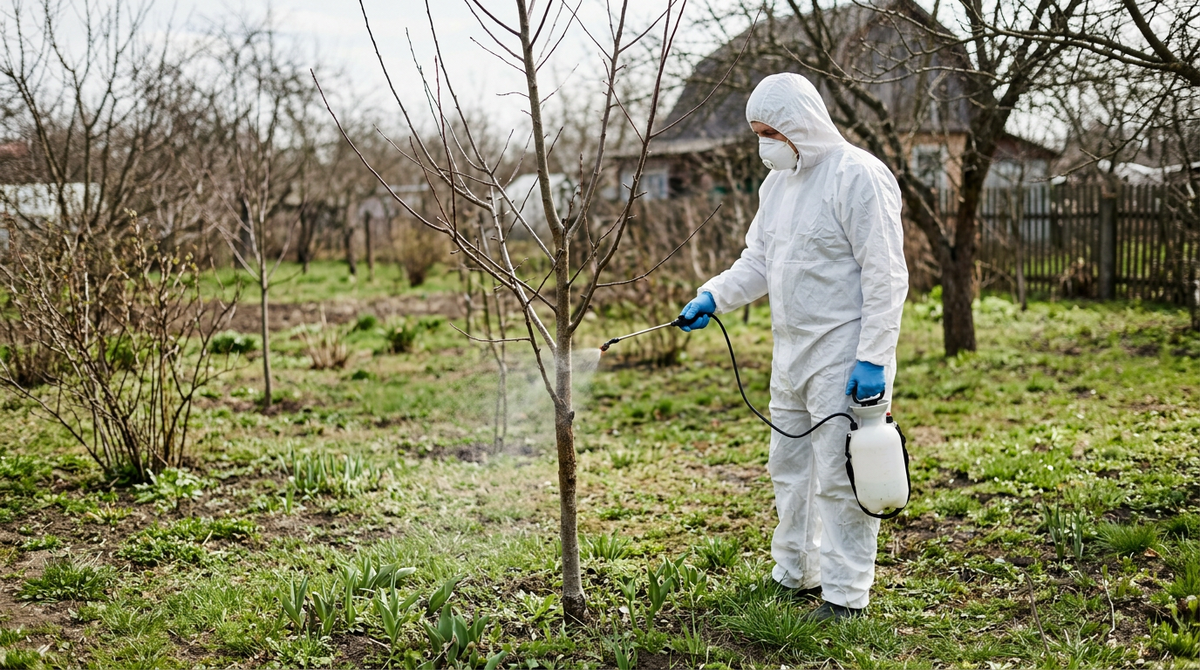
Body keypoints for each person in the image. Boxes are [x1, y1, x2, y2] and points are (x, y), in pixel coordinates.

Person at [678, 72, 908, 621]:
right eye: (757, 132)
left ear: (798, 124)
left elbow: (885, 275)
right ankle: (796, 571)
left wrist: (873, 355)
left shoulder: (858, 177)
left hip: (844, 355)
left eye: (769, 132)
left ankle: (847, 594)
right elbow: (759, 260)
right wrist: (713, 294)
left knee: (839, 474)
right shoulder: (776, 187)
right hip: (792, 354)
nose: (763, 144)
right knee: (789, 465)